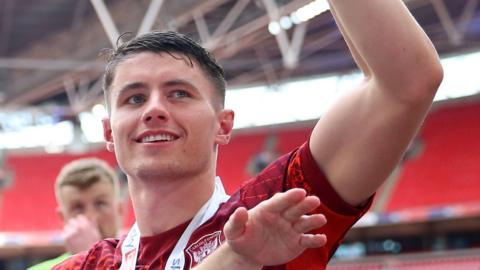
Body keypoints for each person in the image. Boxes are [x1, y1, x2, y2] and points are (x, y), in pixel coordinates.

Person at [55, 0, 443, 268]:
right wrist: (235, 259)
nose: (155, 109)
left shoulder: (272, 210)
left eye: (179, 93)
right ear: (109, 131)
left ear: (223, 125)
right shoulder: (87, 265)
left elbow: (405, 83)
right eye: (134, 98)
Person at [29, 158, 124, 270]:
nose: (91, 216)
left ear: (119, 210)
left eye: (100, 204)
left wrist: (90, 256)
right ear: (63, 218)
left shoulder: (141, 262)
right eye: (78, 208)